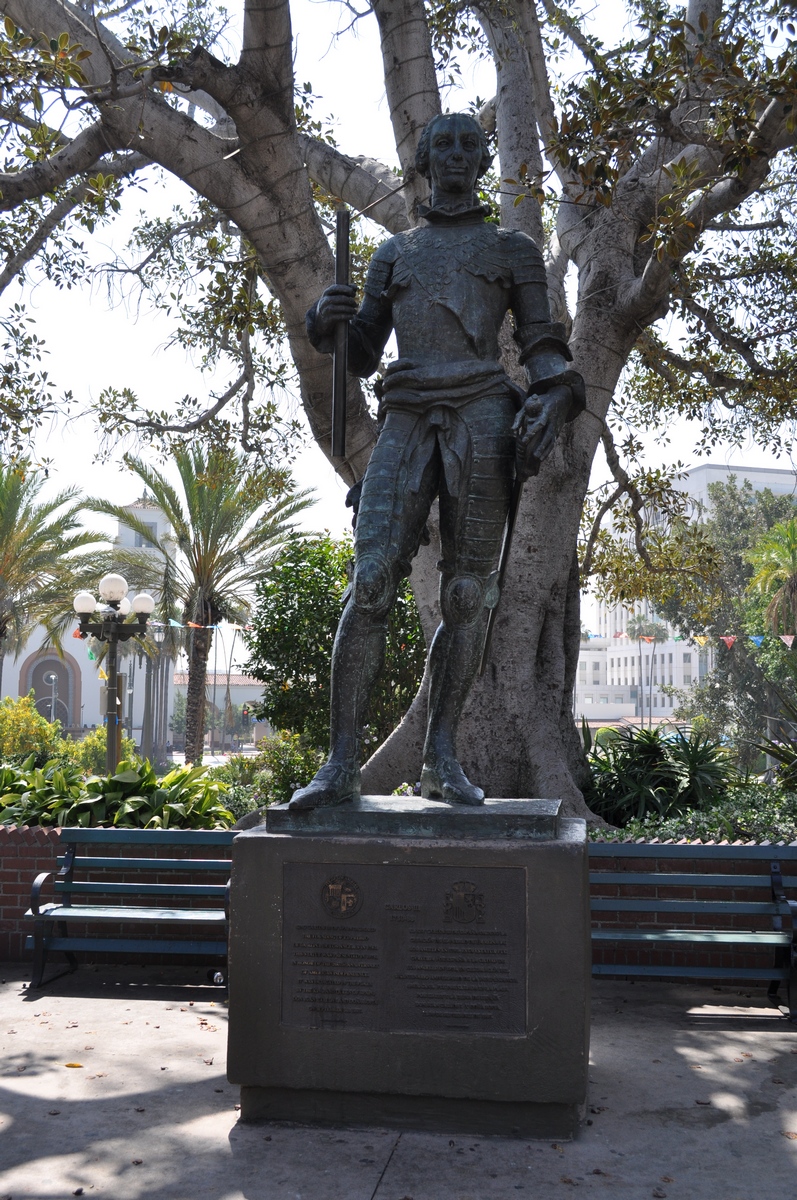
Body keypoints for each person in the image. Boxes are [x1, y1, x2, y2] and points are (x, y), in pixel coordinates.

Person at [290, 112, 584, 810]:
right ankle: (338, 764)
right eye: (440, 144)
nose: (453, 154)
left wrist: (559, 395)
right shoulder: (394, 252)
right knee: (369, 581)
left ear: (482, 160)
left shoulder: (513, 250)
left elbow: (541, 345)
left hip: (483, 416)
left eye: (466, 144)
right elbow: (362, 352)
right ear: (422, 159)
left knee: (466, 596)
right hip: (406, 411)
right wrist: (326, 322)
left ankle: (440, 756)